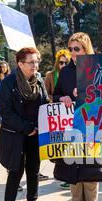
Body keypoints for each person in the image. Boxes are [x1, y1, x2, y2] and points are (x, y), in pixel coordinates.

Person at [53, 32, 102, 201]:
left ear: (86, 49)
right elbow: (55, 95)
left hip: (92, 125)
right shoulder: (65, 71)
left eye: (77, 49)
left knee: (91, 166)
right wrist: (63, 98)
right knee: (73, 167)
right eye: (71, 49)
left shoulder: (97, 69)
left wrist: (86, 94)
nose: (73, 53)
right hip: (72, 126)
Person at [0, 47, 49, 201]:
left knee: (34, 170)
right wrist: (26, 127)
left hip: (36, 134)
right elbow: (6, 112)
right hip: (16, 135)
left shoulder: (39, 81)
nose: (35, 65)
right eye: (31, 62)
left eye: (37, 61)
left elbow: (44, 103)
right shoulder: (8, 83)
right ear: (20, 64)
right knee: (15, 170)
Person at [44, 49, 71, 186]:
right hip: (55, 113)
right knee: (58, 145)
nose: (63, 65)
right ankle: (62, 172)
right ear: (57, 63)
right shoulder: (50, 75)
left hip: (70, 114)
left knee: (69, 144)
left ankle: (68, 176)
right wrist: (56, 100)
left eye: (66, 62)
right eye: (61, 62)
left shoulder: (72, 74)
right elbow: (46, 94)